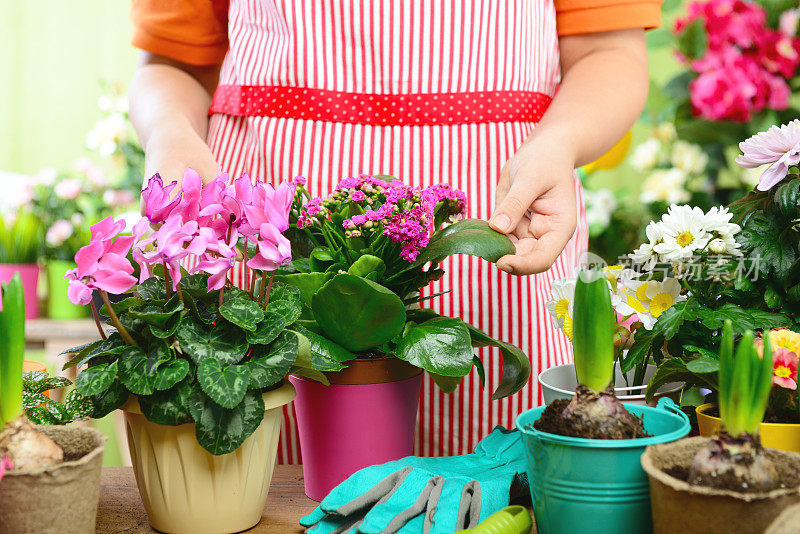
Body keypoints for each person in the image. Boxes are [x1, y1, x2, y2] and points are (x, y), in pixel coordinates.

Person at [128, 0, 659, 463]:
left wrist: (560, 142)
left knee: (503, 486)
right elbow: (172, 62)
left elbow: (608, 52)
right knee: (270, 492)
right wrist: (173, 137)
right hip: (271, 225)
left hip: (504, 211)